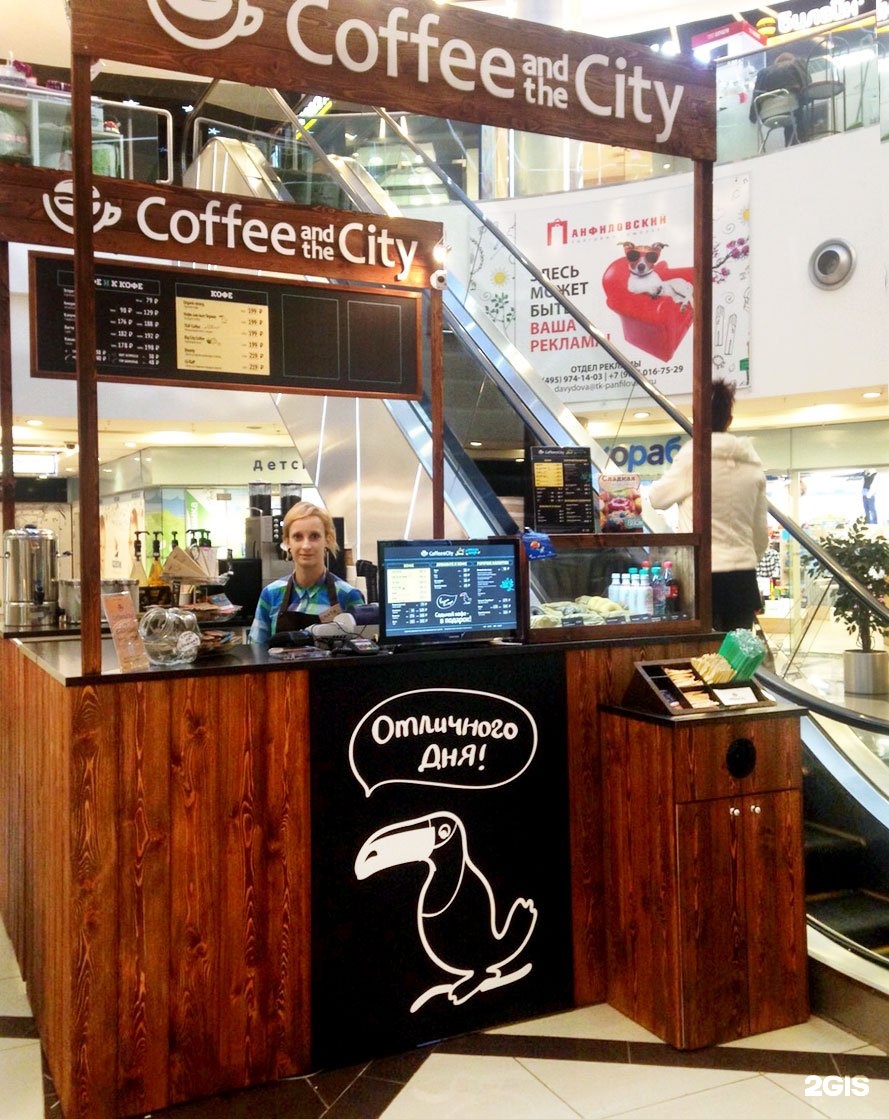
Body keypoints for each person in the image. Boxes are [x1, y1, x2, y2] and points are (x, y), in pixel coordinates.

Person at [648, 378, 769, 631]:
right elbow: (760, 536)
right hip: (743, 579)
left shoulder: (694, 457)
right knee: (739, 652)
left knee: (703, 653)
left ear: (697, 419)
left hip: (702, 576)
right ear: (729, 420)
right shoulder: (753, 464)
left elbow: (657, 499)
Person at [248, 501, 364, 643]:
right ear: (287, 542)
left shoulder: (349, 596)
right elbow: (256, 649)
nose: (306, 545)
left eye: (314, 536)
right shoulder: (271, 594)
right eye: (298, 537)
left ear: (327, 540)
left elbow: (362, 651)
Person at [748, 51, 809, 145]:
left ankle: (790, 144)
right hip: (791, 109)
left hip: (768, 115)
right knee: (797, 116)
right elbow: (806, 88)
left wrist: (753, 117)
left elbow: (756, 96)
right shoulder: (795, 66)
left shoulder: (763, 73)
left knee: (790, 123)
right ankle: (803, 142)